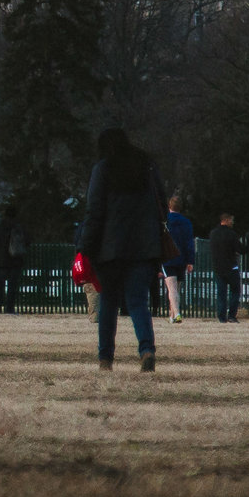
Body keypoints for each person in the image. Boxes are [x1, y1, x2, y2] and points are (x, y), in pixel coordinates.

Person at [77, 128, 170, 371]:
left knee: (109, 301)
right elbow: (163, 199)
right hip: (144, 246)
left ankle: (105, 357)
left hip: (110, 248)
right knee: (138, 301)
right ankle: (147, 349)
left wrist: (85, 247)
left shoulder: (103, 169)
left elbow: (94, 211)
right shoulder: (146, 167)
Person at [0, 203, 27, 315]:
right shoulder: (19, 227)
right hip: (16, 260)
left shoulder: (0, 227)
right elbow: (27, 242)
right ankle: (10, 309)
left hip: (1, 261)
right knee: (12, 286)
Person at [161, 195, 196, 323]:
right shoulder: (186, 222)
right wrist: (190, 261)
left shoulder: (165, 221)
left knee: (171, 288)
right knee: (177, 288)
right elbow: (189, 242)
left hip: (168, 258)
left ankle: (176, 313)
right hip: (181, 258)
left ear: (169, 206)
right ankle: (172, 315)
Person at [207, 211, 243, 324]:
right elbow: (240, 249)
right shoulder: (231, 234)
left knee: (221, 293)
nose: (233, 222)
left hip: (218, 267)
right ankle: (232, 315)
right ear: (226, 220)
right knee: (235, 291)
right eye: (231, 220)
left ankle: (221, 317)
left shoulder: (213, 233)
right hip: (231, 266)